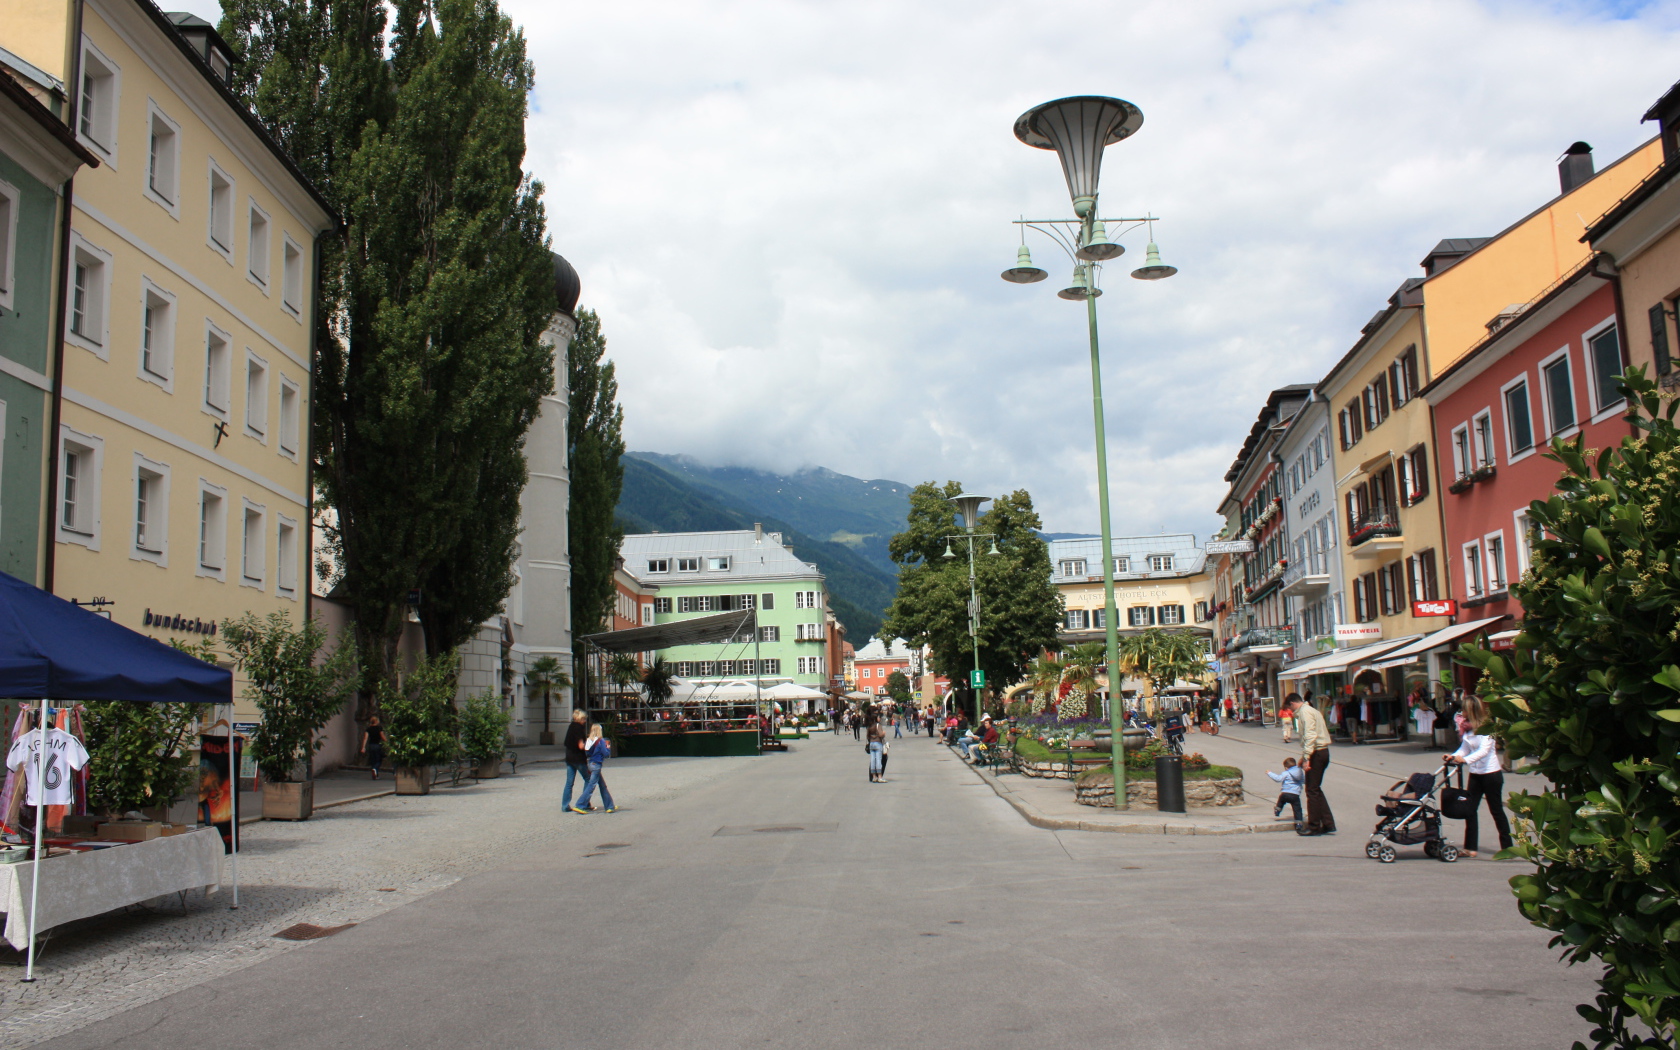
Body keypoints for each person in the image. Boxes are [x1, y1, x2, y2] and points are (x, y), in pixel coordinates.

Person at [1443, 696, 1511, 857]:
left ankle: (1508, 848)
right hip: (1476, 774)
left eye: (1464, 709)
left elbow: (1483, 751)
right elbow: (1464, 748)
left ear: (1472, 710)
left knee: (1496, 810)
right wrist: (1453, 756)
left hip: (1491, 775)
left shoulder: (1487, 729)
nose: (1462, 712)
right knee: (1470, 810)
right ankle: (1470, 847)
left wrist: (1465, 760)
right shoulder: (1468, 729)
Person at [1286, 693, 1335, 835]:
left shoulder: (1305, 713)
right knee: (1315, 788)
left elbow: (1310, 735)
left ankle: (1314, 826)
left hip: (1317, 752)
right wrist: (1304, 757)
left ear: (1293, 703)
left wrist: (1307, 758)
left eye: (1290, 708)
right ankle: (1328, 823)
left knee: (1311, 790)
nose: (1292, 711)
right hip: (1322, 751)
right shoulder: (1311, 710)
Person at [569, 724, 615, 814]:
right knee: (591, 785)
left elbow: (586, 753)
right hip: (596, 765)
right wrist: (608, 748)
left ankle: (609, 806)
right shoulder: (601, 741)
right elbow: (606, 754)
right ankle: (580, 805)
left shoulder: (588, 740)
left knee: (602, 785)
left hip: (590, 764)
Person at [561, 709, 593, 813]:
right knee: (588, 779)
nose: (585, 721)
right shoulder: (579, 728)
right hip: (578, 758)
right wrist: (589, 746)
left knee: (569, 783)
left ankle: (565, 805)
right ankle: (584, 802)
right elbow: (580, 745)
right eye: (584, 719)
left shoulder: (570, 727)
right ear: (580, 719)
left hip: (569, 758)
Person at [1267, 757, 1304, 822]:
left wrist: (1270, 773)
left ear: (1286, 767)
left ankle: (1277, 810)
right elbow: (1304, 780)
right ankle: (1299, 823)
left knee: (1281, 800)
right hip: (1295, 795)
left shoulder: (1286, 773)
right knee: (1297, 809)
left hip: (1285, 793)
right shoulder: (1300, 773)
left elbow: (1278, 779)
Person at [361, 715, 386, 781]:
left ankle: (375, 773)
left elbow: (365, 738)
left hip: (371, 745)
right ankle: (375, 769)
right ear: (377, 721)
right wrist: (387, 742)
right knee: (378, 760)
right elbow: (382, 737)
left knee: (373, 760)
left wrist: (363, 747)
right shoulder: (379, 728)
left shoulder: (368, 729)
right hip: (377, 745)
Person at [866, 716, 886, 782]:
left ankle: (874, 776)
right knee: (878, 760)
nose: (879, 718)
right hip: (878, 743)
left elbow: (867, 736)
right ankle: (879, 776)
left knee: (872, 760)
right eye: (878, 717)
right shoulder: (878, 725)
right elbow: (880, 734)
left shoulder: (870, 726)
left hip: (871, 743)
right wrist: (883, 733)